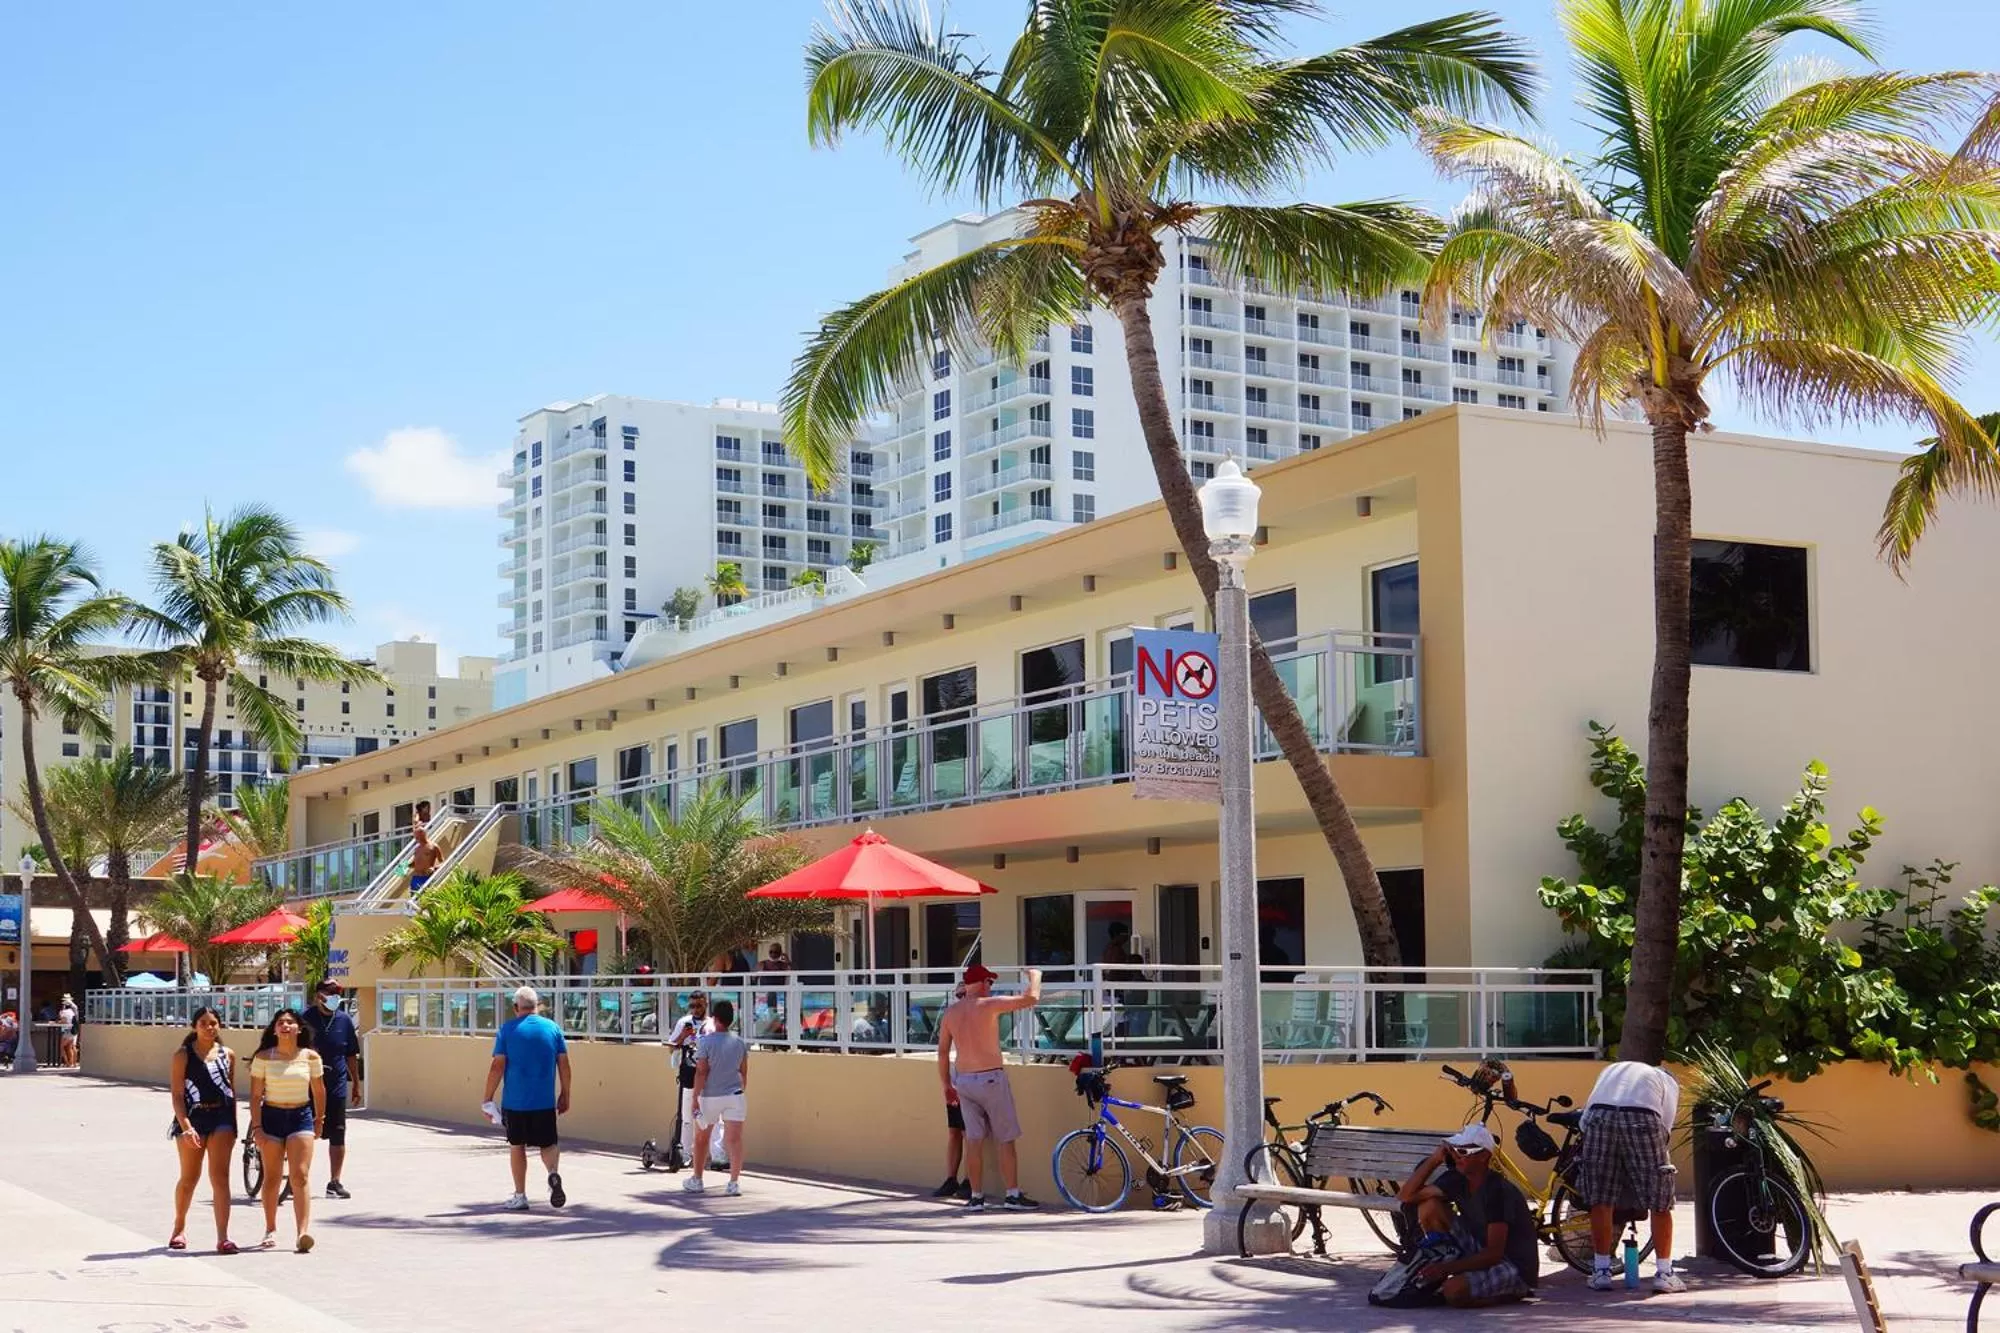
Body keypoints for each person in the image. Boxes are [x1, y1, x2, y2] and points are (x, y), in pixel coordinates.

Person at [935, 963, 1042, 1211]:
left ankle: (976, 1197)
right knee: (1006, 1139)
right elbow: (1031, 998)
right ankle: (1012, 1195)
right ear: (983, 983)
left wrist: (946, 1085)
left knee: (973, 1140)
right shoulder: (989, 1005)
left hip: (963, 1081)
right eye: (990, 982)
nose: (991, 987)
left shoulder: (951, 1013)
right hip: (991, 1079)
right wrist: (1035, 976)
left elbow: (942, 1053)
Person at [1395, 1124, 1538, 1307]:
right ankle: (1445, 1263)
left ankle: (1511, 1293)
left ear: (1484, 1156)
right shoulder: (1457, 1178)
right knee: (1429, 1205)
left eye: (1463, 1151)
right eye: (1454, 1151)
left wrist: (1445, 1269)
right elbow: (1406, 1196)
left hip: (1511, 1265)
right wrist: (1434, 1160)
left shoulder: (1498, 1191)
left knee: (1453, 1291)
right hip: (1479, 1247)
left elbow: (1494, 1254)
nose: (1457, 1157)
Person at [1576, 1060, 1686, 1293]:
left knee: (1601, 1198)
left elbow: (1587, 1113)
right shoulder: (1668, 1081)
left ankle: (1601, 1272)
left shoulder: (1612, 1069)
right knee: (1659, 1198)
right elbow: (1665, 1127)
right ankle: (1664, 1273)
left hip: (1599, 1116)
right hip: (1641, 1117)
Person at [484, 985, 571, 1211]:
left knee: (517, 1146)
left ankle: (520, 1195)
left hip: (516, 1103)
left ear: (516, 1007)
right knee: (548, 1144)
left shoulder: (507, 1030)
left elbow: (497, 1066)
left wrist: (487, 1098)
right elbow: (564, 1064)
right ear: (536, 1006)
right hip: (544, 1102)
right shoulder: (553, 1029)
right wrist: (565, 1094)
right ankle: (552, 1174)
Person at [249, 1008, 325, 1253]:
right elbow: (255, 1095)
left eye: (290, 1022)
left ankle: (302, 1232)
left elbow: (319, 1090)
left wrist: (319, 1119)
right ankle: (270, 1228)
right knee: (272, 1176)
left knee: (300, 1175)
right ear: (274, 1029)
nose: (285, 1026)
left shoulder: (311, 1057)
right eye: (280, 1022)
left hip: (301, 1117)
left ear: (299, 1029)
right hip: (271, 1116)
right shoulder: (263, 1057)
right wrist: (257, 1127)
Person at [168, 1006, 239, 1254]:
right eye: (204, 1023)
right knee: (189, 1177)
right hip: (193, 1118)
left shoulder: (228, 1054)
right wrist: (186, 1126)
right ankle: (179, 1227)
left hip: (221, 1118)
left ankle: (223, 1237)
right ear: (195, 1026)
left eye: (213, 1023)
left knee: (220, 1177)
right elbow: (177, 1095)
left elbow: (230, 1091)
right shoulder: (183, 1055)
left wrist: (234, 1126)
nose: (209, 1027)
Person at [300, 980, 362, 1199]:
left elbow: (351, 1055)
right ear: (319, 996)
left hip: (336, 1086)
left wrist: (355, 1083)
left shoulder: (345, 1020)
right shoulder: (304, 1019)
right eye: (330, 993)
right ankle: (297, 1178)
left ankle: (334, 1182)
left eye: (337, 993)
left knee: (338, 1134)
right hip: (306, 1086)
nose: (334, 997)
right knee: (302, 1135)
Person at [683, 998, 750, 1196]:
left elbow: (701, 1072)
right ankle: (734, 1182)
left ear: (714, 1018)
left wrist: (695, 1097)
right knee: (735, 1140)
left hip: (710, 1097)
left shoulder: (705, 1042)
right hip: (735, 1096)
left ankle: (697, 1179)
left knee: (701, 1138)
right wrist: (740, 1091)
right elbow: (743, 1072)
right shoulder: (740, 1043)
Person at [665, 991, 714, 1166]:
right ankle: (685, 1154)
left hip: (709, 1076)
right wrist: (683, 1036)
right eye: (692, 1006)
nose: (695, 1009)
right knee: (687, 1116)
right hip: (688, 1074)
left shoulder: (712, 1025)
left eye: (699, 1006)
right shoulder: (683, 1022)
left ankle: (716, 1156)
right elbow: (671, 1047)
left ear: (706, 1004)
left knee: (712, 1117)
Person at [932, 984, 970, 1200]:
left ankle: (970, 1180)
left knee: (969, 1133)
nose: (961, 998)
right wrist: (946, 1085)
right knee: (954, 1131)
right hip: (955, 1082)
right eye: (958, 995)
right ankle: (951, 1179)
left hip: (971, 1082)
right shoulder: (951, 1016)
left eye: (964, 994)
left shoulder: (980, 1015)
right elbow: (943, 1052)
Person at [408, 801, 441, 892]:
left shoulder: (433, 846)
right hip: (416, 878)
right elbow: (416, 823)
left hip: (425, 877)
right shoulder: (418, 815)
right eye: (427, 807)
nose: (429, 809)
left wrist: (434, 868)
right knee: (413, 897)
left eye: (429, 807)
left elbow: (442, 861)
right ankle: (399, 873)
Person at [58, 993, 79, 1066]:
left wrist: (57, 1022)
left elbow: (64, 1021)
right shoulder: (74, 1009)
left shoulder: (63, 1012)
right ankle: (73, 1063)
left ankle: (67, 1062)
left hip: (67, 1030)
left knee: (61, 1047)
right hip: (75, 1030)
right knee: (72, 1047)